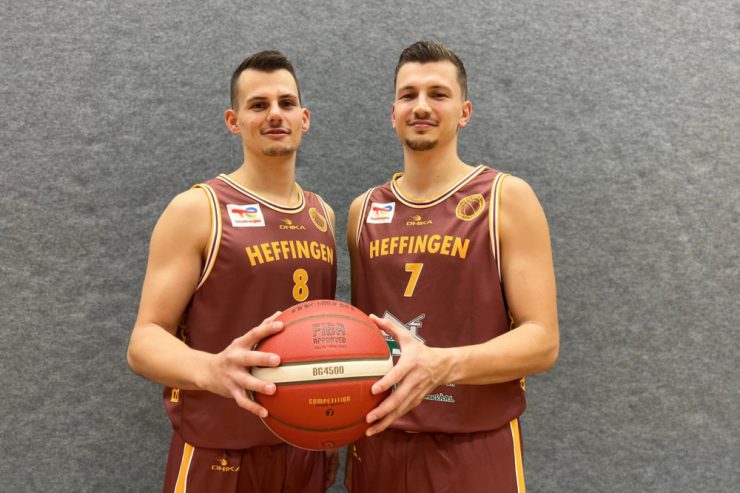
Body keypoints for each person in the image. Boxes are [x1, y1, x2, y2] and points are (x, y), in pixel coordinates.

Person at [345, 41, 559, 492]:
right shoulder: (362, 211)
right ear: (393, 111)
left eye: (438, 94)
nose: (421, 106)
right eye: (408, 95)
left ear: (464, 111)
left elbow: (542, 342)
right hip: (377, 444)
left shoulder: (506, 198)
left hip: (473, 450)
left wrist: (440, 366)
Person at [127, 50, 339, 492]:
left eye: (286, 103)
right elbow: (144, 343)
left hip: (305, 450)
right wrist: (213, 371)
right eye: (258, 105)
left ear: (305, 117)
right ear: (233, 120)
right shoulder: (199, 209)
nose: (274, 114)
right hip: (219, 454)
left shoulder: (324, 215)